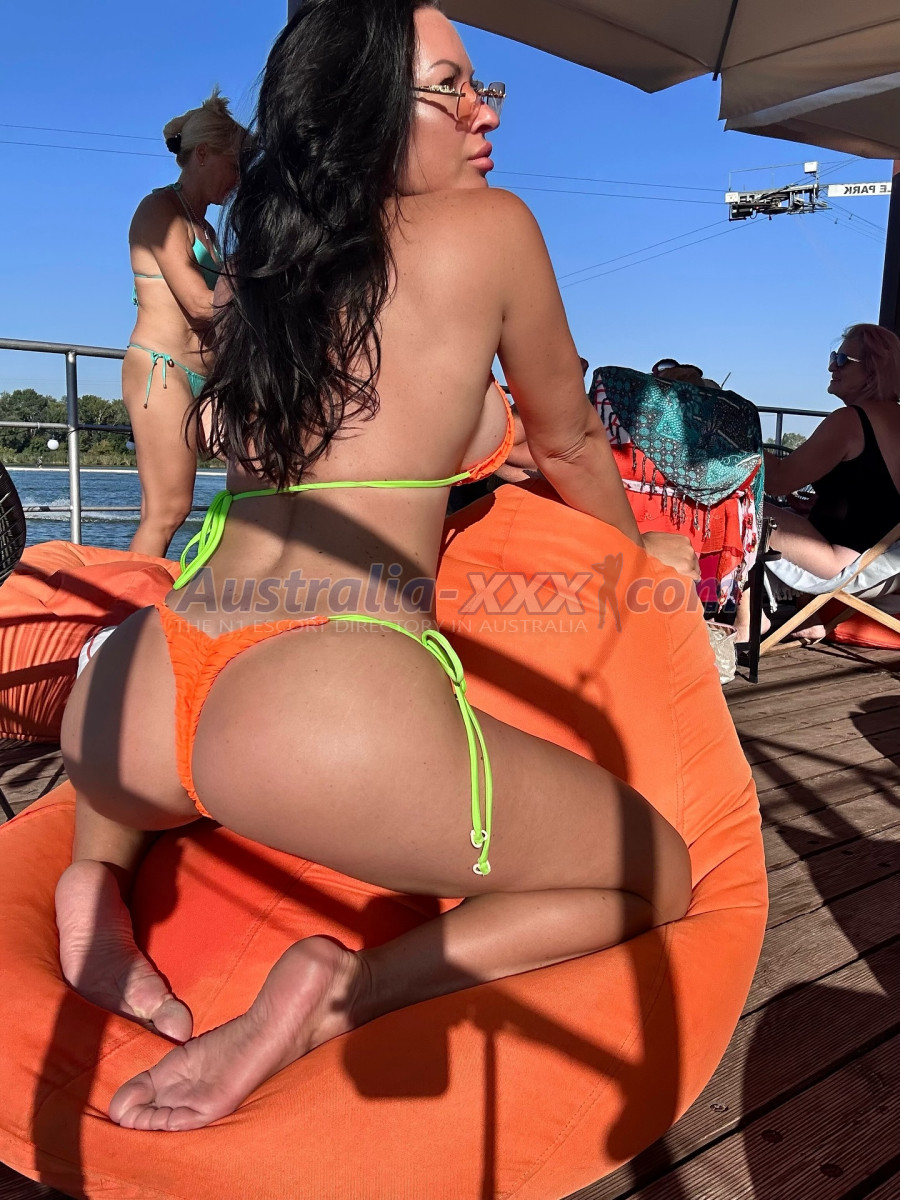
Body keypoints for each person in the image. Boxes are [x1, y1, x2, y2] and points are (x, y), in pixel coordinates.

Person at [56, 0, 691, 1134]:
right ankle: (340, 990)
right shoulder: (492, 228)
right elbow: (570, 445)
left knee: (143, 751)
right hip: (317, 703)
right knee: (659, 869)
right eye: (451, 88)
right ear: (365, 108)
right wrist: (637, 555)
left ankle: (90, 875)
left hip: (130, 697)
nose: (486, 113)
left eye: (483, 87)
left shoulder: (265, 265)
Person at [124, 88, 248, 557]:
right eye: (234, 166)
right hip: (163, 370)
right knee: (167, 510)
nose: (238, 180)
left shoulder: (208, 231)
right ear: (202, 154)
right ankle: (123, 602)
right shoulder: (159, 211)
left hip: (209, 380)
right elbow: (198, 304)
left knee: (260, 476)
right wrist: (252, 282)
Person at [734, 323, 900, 639]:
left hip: (844, 565)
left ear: (872, 372)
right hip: (886, 566)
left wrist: (735, 436)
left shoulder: (850, 421)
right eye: (834, 356)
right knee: (787, 514)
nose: (831, 366)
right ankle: (808, 618)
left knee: (738, 506)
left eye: (842, 360)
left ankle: (748, 621)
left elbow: (777, 480)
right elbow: (879, 497)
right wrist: (823, 504)